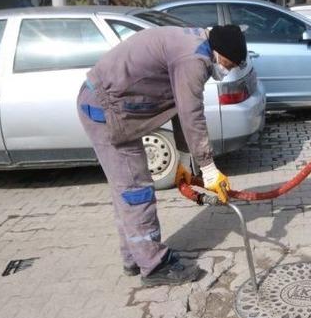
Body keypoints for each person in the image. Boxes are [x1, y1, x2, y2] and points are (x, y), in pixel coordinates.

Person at [77, 25, 247, 286]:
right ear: (220, 53)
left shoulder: (197, 44)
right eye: (228, 64)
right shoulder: (193, 59)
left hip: (112, 104)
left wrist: (183, 159)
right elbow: (191, 114)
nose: (226, 70)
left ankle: (135, 257)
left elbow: (179, 107)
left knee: (126, 190)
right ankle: (154, 265)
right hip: (106, 109)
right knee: (136, 191)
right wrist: (208, 167)